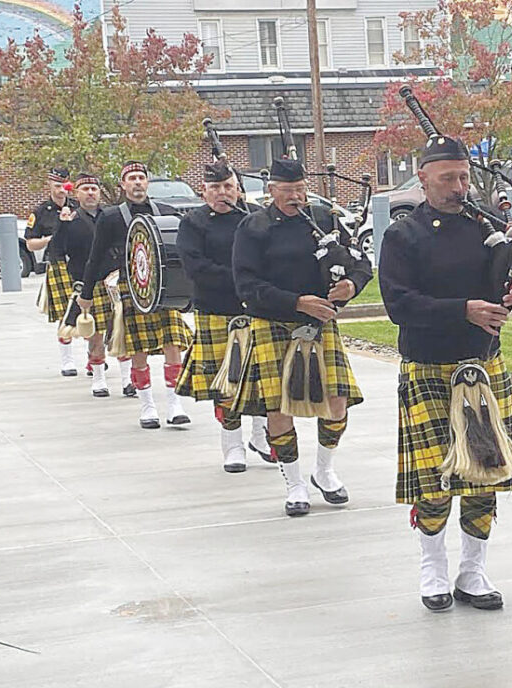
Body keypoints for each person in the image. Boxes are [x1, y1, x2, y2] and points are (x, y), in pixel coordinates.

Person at [378, 135, 512, 612]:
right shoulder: (403, 235)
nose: (458, 186)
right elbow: (397, 305)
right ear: (423, 177)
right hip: (429, 366)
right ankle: (433, 569)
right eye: (447, 178)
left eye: (464, 177)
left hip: (483, 364)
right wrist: (462, 310)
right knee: (435, 480)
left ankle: (473, 570)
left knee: (485, 473)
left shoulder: (485, 226)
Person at [232, 157, 372, 515]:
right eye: (287, 190)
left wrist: (351, 285)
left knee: (338, 402)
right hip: (274, 324)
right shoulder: (254, 227)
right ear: (271, 191)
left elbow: (360, 263)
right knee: (280, 408)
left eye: (300, 189)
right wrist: (298, 302)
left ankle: (324, 471)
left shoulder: (324, 220)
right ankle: (294, 483)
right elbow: (246, 286)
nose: (296, 196)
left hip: (321, 325)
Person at [78, 161, 194, 429]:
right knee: (138, 349)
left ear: (147, 182)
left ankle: (175, 404)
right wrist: (86, 293)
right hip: (132, 289)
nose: (137, 182)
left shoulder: (167, 213)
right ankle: (148, 406)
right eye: (131, 178)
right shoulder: (110, 217)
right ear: (123, 184)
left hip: (163, 289)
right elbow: (95, 258)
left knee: (173, 345)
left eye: (141, 177)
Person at [175, 160, 272, 472]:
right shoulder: (194, 223)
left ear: (238, 189)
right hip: (216, 310)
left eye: (228, 186)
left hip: (257, 309)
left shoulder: (256, 218)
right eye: (215, 188)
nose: (222, 193)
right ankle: (232, 446)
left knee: (260, 381)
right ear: (204, 192)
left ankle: (261, 436)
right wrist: (244, 277)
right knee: (227, 384)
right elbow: (195, 267)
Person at [50, 173, 115, 398]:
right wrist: (62, 225)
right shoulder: (71, 219)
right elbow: (57, 251)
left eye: (94, 189)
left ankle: (128, 380)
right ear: (76, 194)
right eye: (85, 189)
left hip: (114, 281)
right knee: (96, 334)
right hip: (89, 282)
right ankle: (98, 379)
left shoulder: (110, 216)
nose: (90, 193)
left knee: (121, 332)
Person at [26, 167, 78, 376]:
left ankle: (95, 359)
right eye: (57, 186)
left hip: (81, 262)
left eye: (64, 186)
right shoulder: (40, 212)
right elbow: (30, 244)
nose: (61, 191)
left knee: (92, 310)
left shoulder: (77, 206)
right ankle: (67, 360)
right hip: (58, 264)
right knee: (64, 313)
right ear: (49, 185)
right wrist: (49, 240)